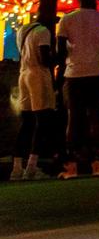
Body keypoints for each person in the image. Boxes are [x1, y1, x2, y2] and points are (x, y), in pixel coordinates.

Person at [56, 0, 99, 179]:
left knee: (74, 118)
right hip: (97, 73)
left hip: (73, 74)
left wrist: (58, 77)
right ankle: (97, 163)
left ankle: (72, 165)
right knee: (95, 117)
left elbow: (61, 52)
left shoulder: (67, 19)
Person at [10, 18, 54, 180]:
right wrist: (59, 59)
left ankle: (16, 167)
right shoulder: (43, 31)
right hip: (38, 76)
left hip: (24, 74)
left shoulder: (22, 31)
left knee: (27, 122)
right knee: (42, 121)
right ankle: (31, 167)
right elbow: (44, 58)